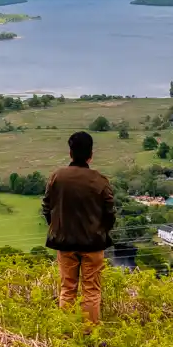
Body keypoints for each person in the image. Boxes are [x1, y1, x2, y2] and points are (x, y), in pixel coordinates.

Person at [42, 131, 115, 324]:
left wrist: (58, 228)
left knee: (68, 289)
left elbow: (47, 208)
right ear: (91, 154)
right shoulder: (100, 180)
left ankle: (67, 334)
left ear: (70, 153)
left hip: (65, 243)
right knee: (91, 290)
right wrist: (101, 232)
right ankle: (89, 334)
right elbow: (110, 214)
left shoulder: (57, 177)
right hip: (93, 244)